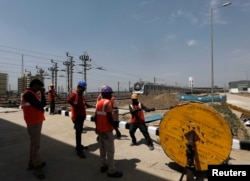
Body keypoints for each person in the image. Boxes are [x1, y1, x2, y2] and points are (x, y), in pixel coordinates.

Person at [94, 85, 123, 178]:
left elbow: (95, 117)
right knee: (110, 151)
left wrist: (96, 128)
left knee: (102, 149)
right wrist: (117, 130)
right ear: (106, 94)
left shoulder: (99, 103)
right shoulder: (108, 103)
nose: (111, 95)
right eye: (110, 94)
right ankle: (111, 171)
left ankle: (104, 165)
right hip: (107, 131)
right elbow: (110, 119)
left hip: (100, 130)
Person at [21, 79, 46, 180]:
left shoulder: (33, 94)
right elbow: (39, 105)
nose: (40, 89)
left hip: (36, 121)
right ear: (35, 85)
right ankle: (37, 167)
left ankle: (32, 162)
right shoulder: (28, 94)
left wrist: (43, 94)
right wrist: (41, 106)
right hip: (33, 122)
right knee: (36, 145)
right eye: (39, 87)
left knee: (34, 144)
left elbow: (42, 105)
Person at [67, 81, 90, 158]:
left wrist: (89, 105)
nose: (84, 90)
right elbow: (69, 100)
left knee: (79, 132)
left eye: (84, 89)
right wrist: (74, 105)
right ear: (79, 87)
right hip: (77, 117)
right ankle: (78, 150)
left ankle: (79, 145)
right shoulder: (75, 94)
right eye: (83, 88)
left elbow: (84, 103)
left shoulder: (81, 95)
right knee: (78, 132)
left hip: (81, 116)